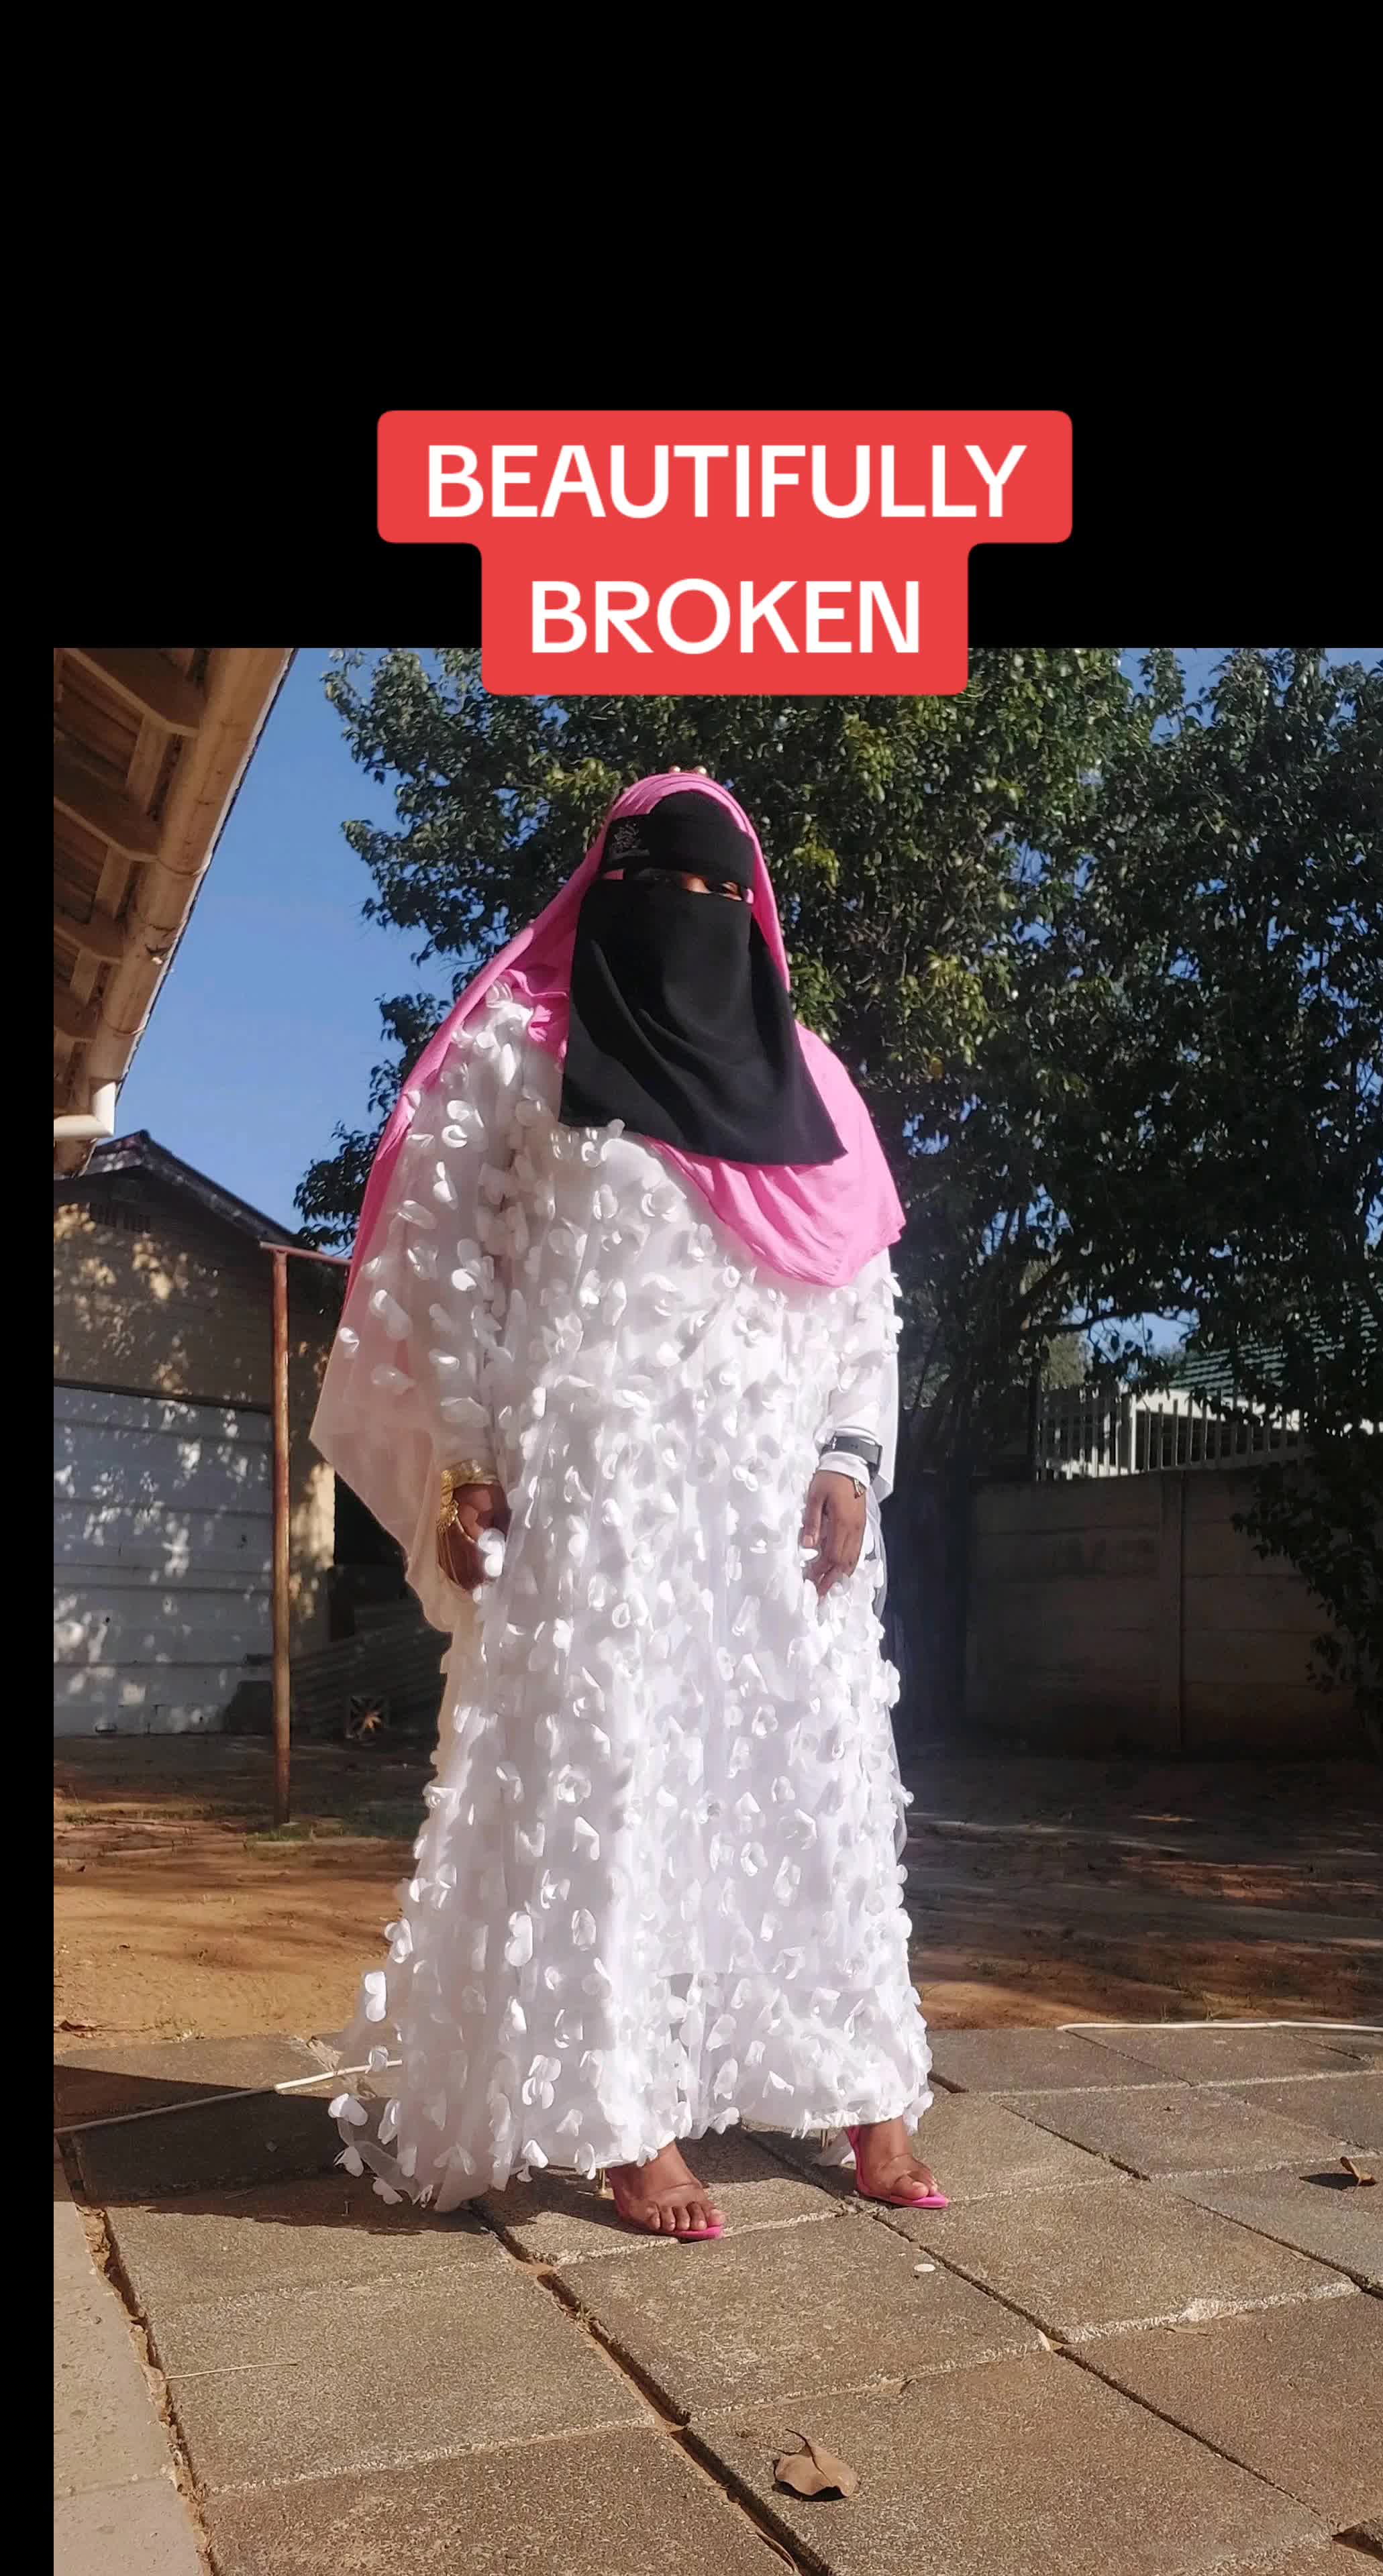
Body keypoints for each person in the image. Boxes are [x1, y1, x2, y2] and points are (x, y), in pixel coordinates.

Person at [313, 769, 941, 2237]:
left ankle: (868, 2088)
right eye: (669, 888)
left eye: (726, 892)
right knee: (614, 1788)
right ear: (607, 897)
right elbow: (449, 1270)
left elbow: (863, 1295)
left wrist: (851, 1454)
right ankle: (624, 2115)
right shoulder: (524, 1055)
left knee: (815, 1788)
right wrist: (467, 1458)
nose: (697, 917)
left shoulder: (814, 1081)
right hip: (598, 1498)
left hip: (776, 1503)